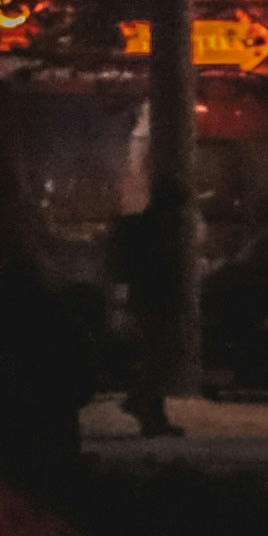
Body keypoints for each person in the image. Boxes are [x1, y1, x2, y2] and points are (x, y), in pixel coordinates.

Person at [108, 188, 185, 438]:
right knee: (160, 362)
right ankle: (140, 403)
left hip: (147, 302)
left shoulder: (147, 229)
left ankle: (152, 417)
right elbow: (162, 271)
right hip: (154, 302)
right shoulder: (157, 232)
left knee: (157, 360)